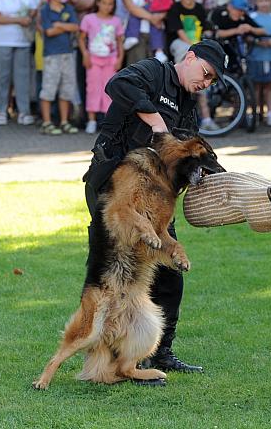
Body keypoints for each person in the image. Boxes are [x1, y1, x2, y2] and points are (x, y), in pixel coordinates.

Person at [83, 39, 228, 376]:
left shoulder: (188, 106)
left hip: (155, 199)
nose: (205, 82)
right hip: (113, 190)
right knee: (114, 278)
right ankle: (108, 361)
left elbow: (183, 159)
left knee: (170, 275)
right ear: (190, 58)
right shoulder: (152, 71)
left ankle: (159, 353)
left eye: (211, 81)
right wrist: (156, 121)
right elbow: (116, 84)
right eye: (205, 73)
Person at [165, 0, 218, 132]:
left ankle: (206, 117)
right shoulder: (175, 8)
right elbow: (180, 32)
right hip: (181, 46)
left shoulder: (199, 9)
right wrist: (193, 47)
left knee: (202, 76)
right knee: (189, 68)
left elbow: (205, 27)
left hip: (196, 48)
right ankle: (183, 74)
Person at [79, 0, 124, 134]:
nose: (107, 6)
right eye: (104, 3)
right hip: (93, 60)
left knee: (109, 89)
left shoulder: (116, 21)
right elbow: (81, 38)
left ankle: (107, 122)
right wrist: (85, 54)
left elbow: (119, 41)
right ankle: (91, 120)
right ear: (97, 3)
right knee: (92, 88)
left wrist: (120, 59)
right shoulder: (89, 19)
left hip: (111, 60)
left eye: (110, 3)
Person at [39, 0, 80, 135]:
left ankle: (64, 121)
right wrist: (65, 27)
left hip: (67, 54)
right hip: (52, 55)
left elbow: (75, 26)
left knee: (66, 88)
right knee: (49, 88)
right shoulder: (45, 10)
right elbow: (48, 31)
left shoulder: (68, 8)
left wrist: (59, 25)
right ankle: (47, 122)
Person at [248, 0, 271, 128]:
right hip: (256, 57)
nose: (264, 3)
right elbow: (247, 37)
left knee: (269, 87)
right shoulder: (252, 18)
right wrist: (259, 42)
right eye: (261, 1)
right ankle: (257, 114)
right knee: (256, 87)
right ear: (256, 2)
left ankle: (269, 115)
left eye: (266, 0)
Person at [210, 0, 266, 67]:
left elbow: (263, 30)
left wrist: (251, 29)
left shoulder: (243, 16)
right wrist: (237, 30)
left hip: (233, 51)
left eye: (242, 11)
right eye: (238, 10)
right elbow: (217, 33)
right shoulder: (219, 12)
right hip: (215, 50)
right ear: (230, 7)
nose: (240, 13)